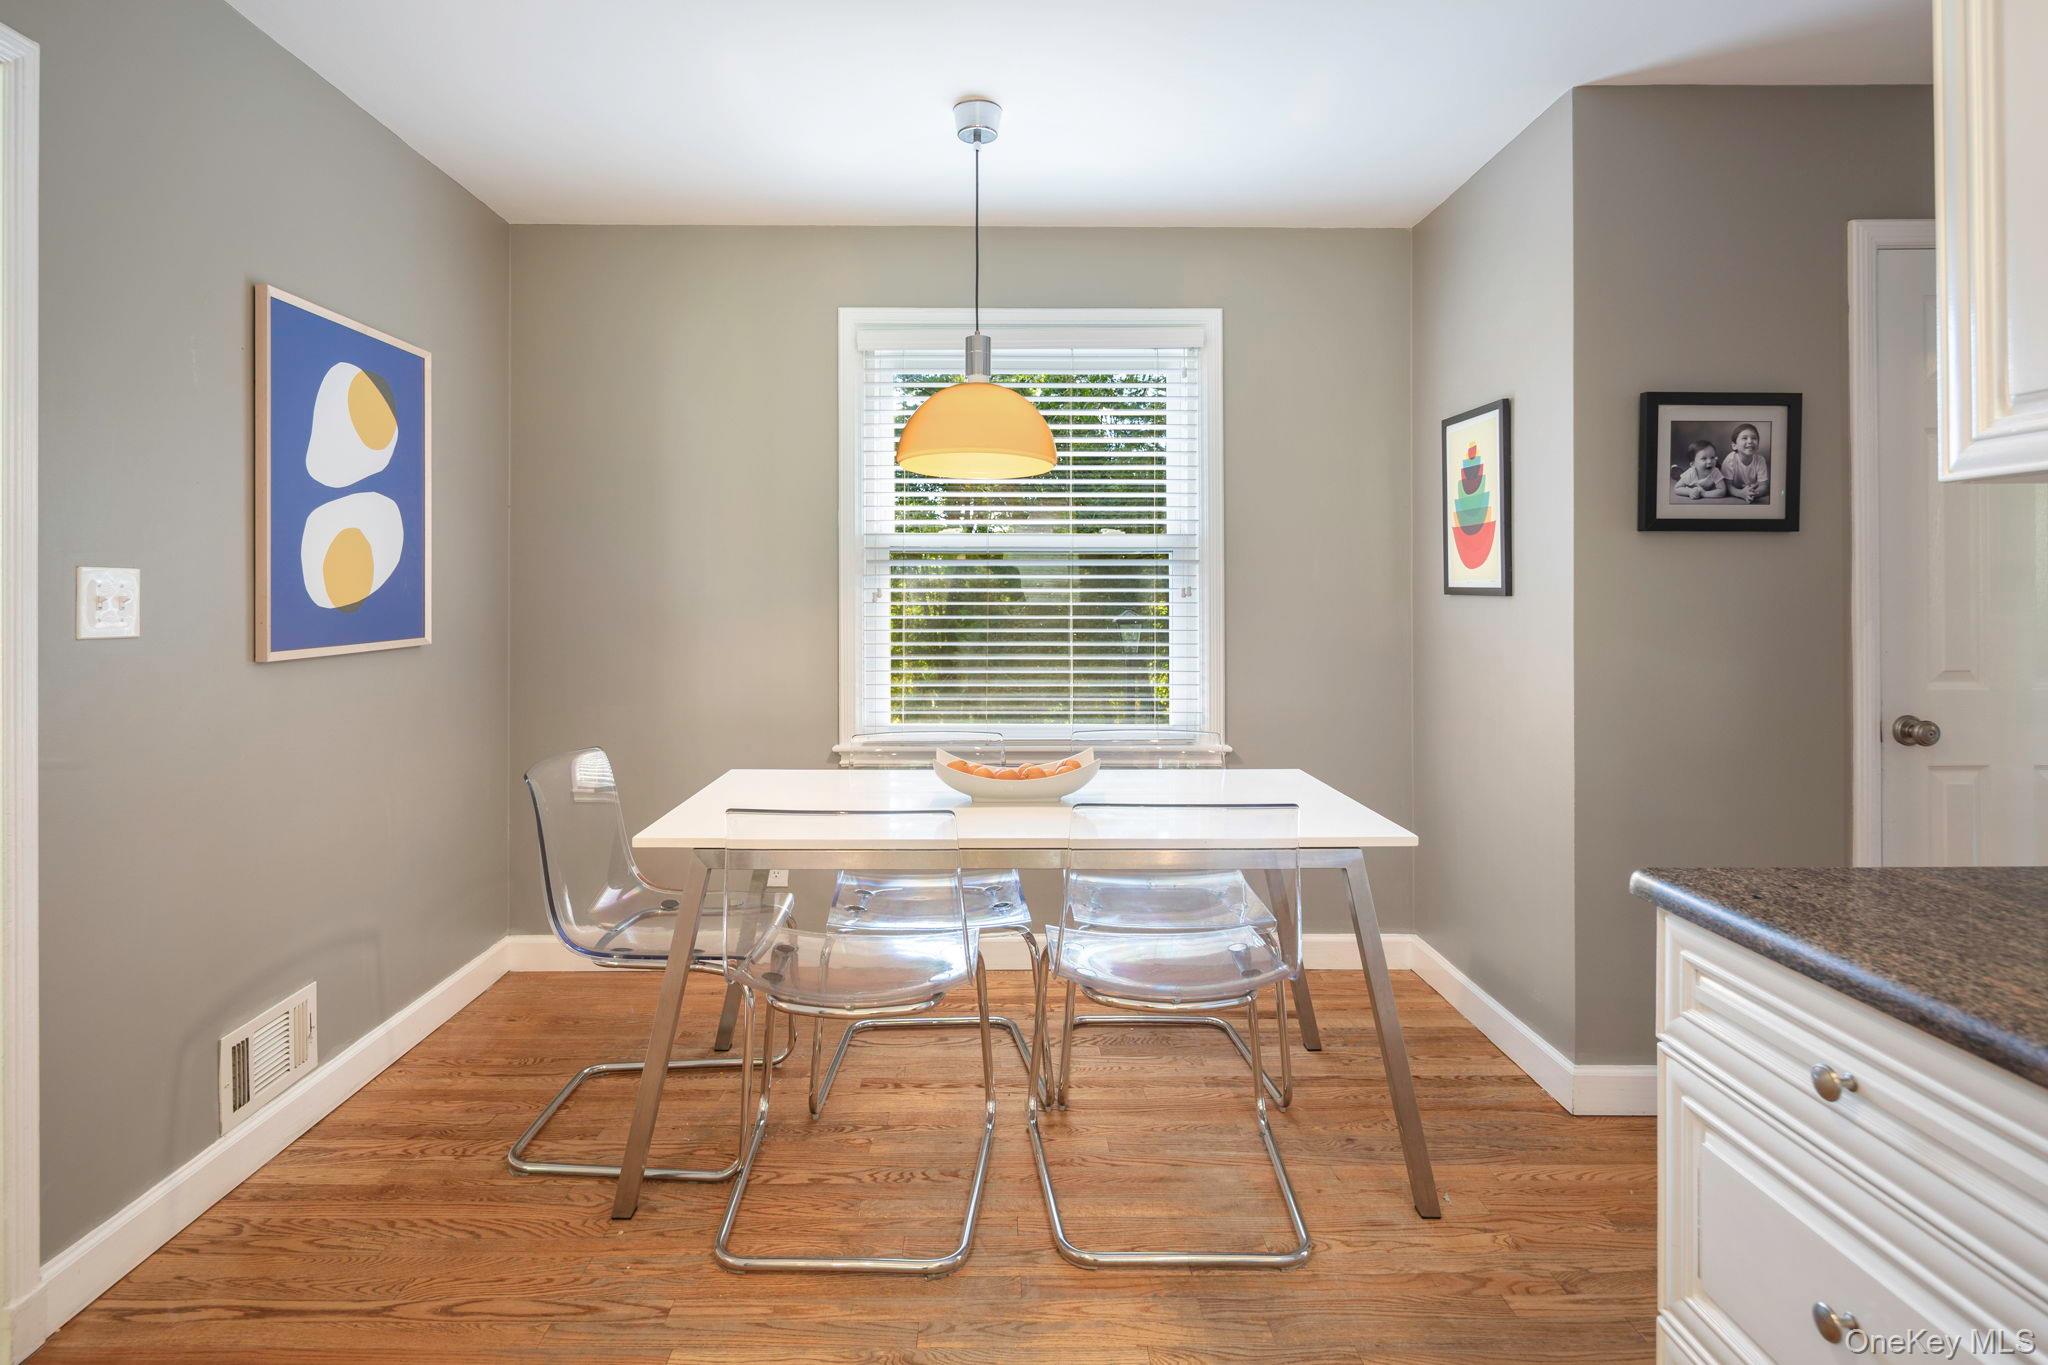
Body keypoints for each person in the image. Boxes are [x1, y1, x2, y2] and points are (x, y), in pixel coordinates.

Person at [1721, 423, 1770, 503]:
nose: (1750, 441)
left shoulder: (1760, 460)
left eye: (1754, 438)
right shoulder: (1730, 460)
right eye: (1744, 438)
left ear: (1758, 445)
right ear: (1734, 446)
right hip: (1736, 491)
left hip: (1753, 490)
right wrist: (1741, 493)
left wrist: (1752, 494)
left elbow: (1763, 486)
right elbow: (1728, 486)